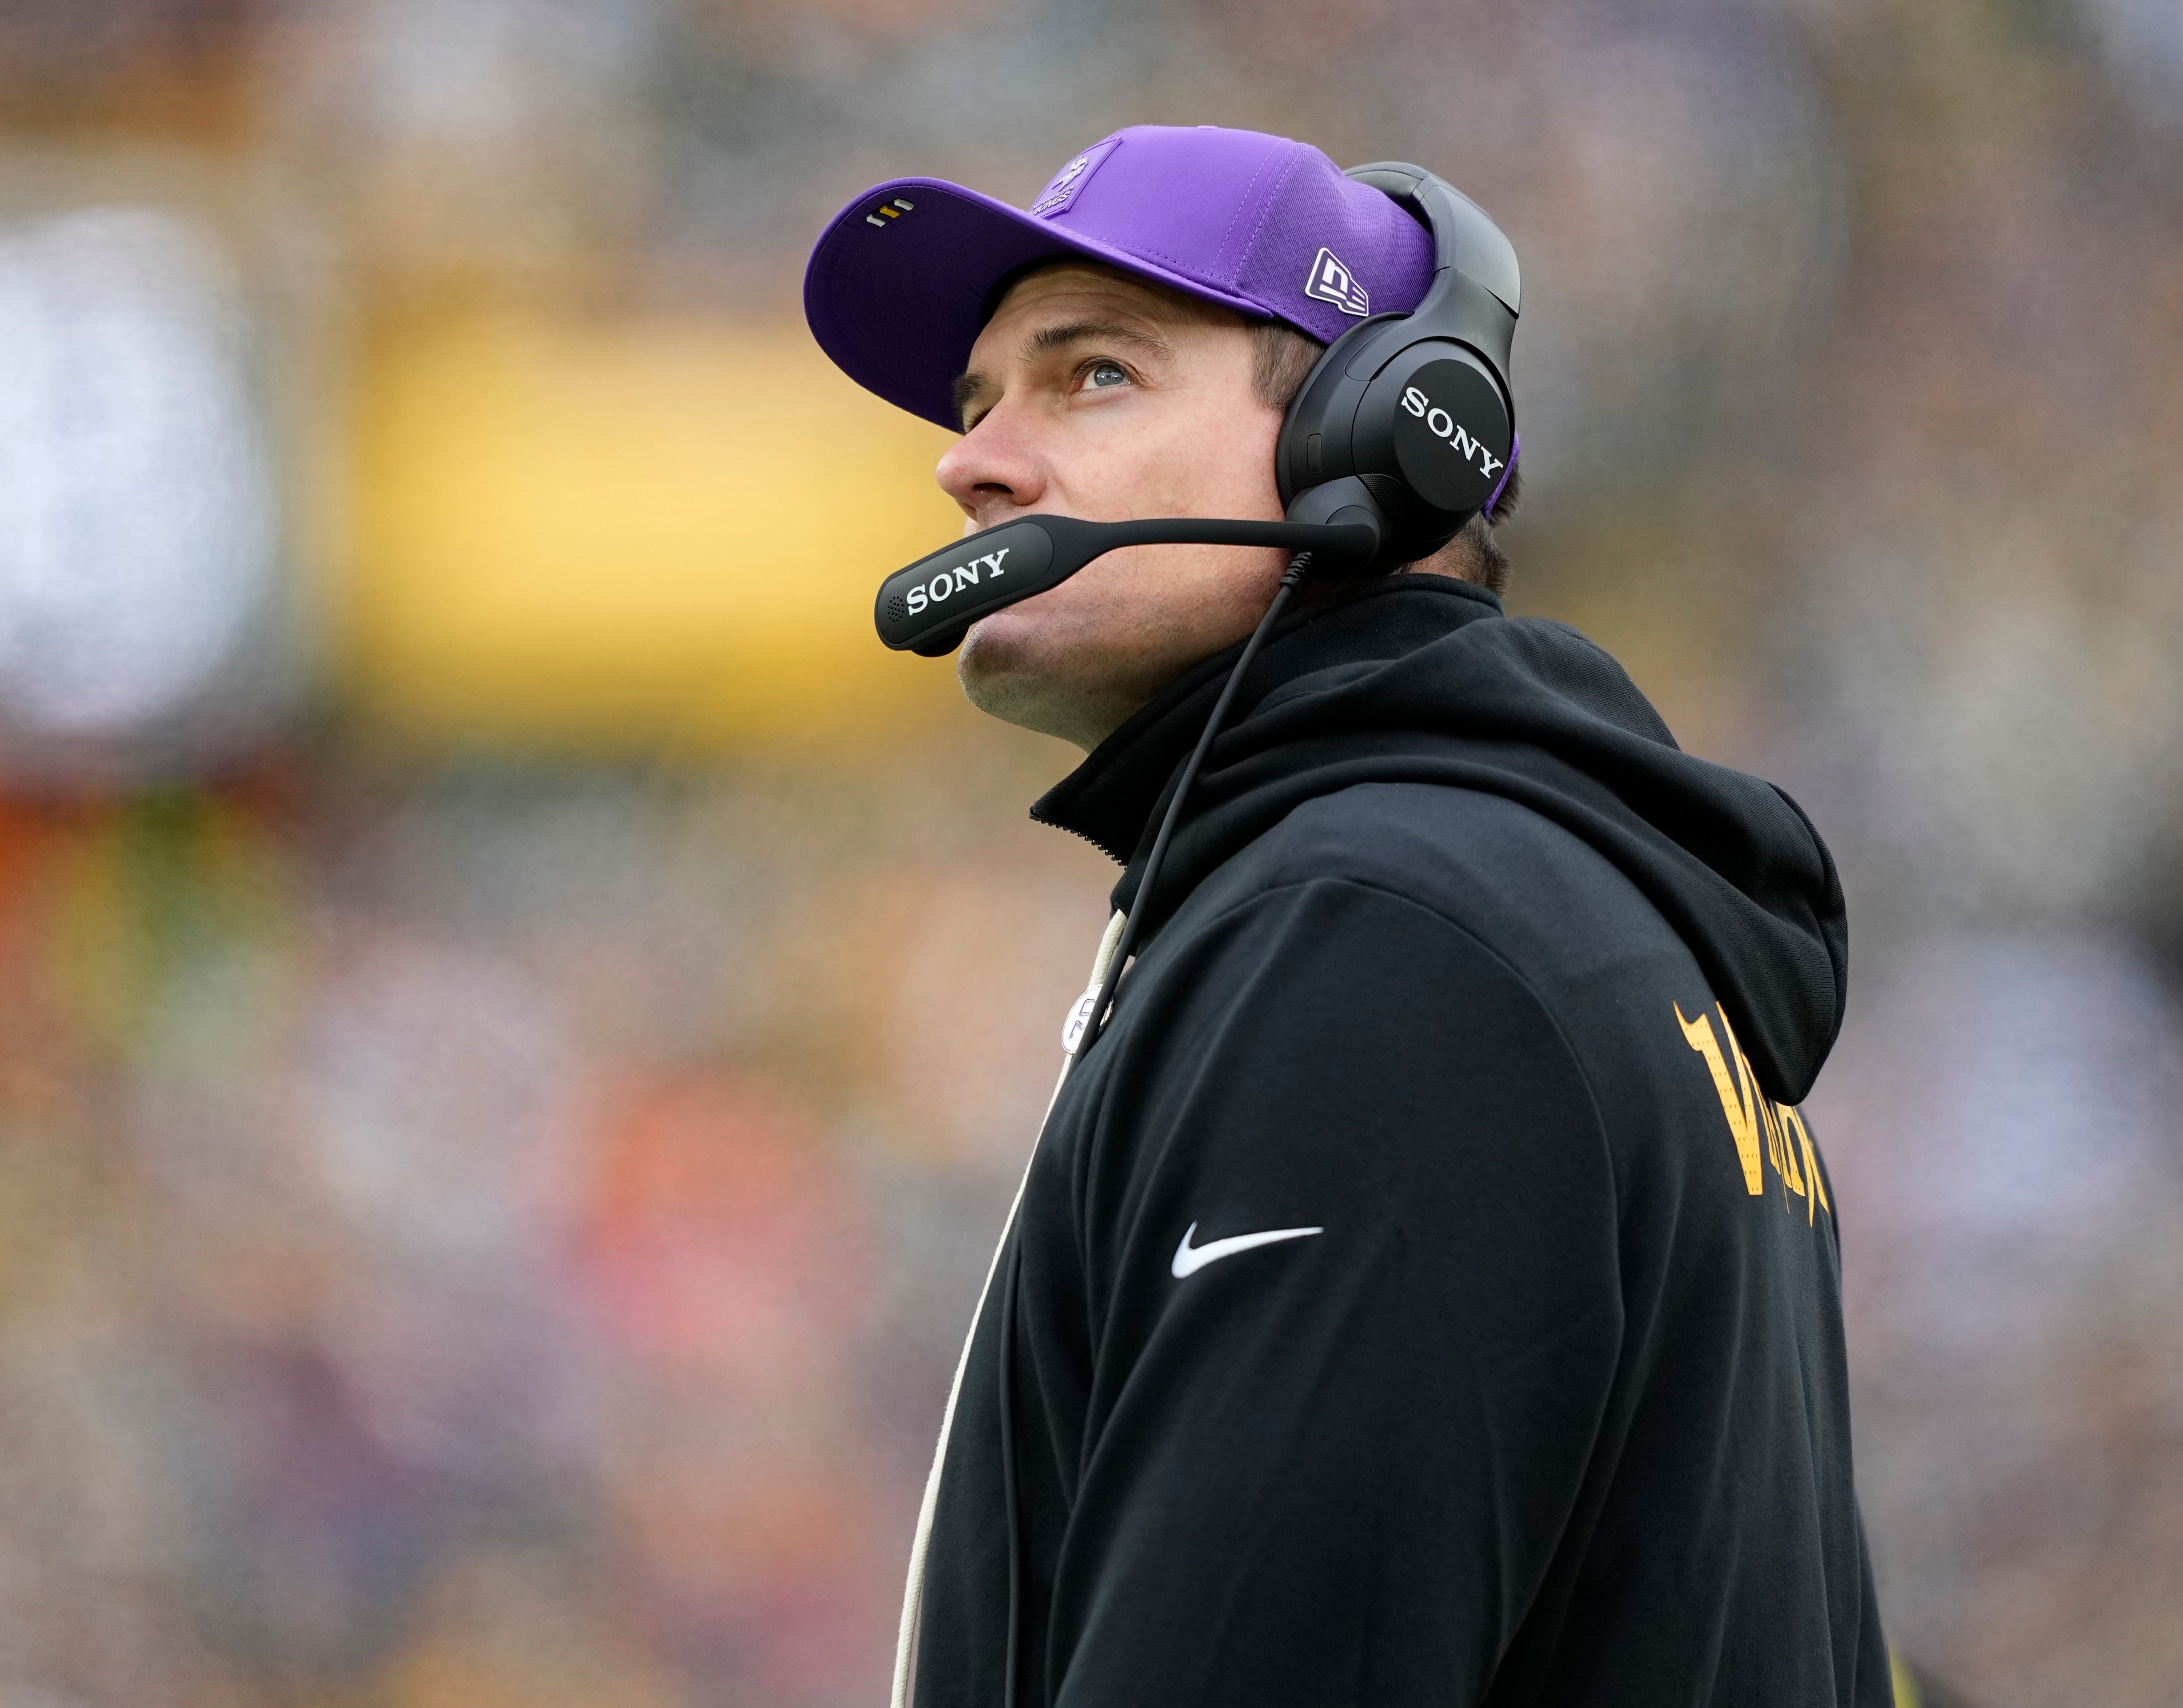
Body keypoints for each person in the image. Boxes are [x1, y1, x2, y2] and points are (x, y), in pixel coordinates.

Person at [805, 124, 1889, 1708]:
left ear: (1384, 434)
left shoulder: (1389, 946)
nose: (971, 459)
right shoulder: (1534, 916)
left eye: (1091, 373)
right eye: (976, 403)